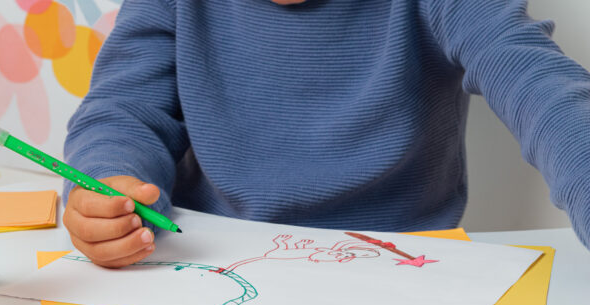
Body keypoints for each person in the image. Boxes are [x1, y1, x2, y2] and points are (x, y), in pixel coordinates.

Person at [62, 0, 590, 268]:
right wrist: (107, 185)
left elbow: (537, 84)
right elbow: (125, 109)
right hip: (205, 264)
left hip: (401, 270)